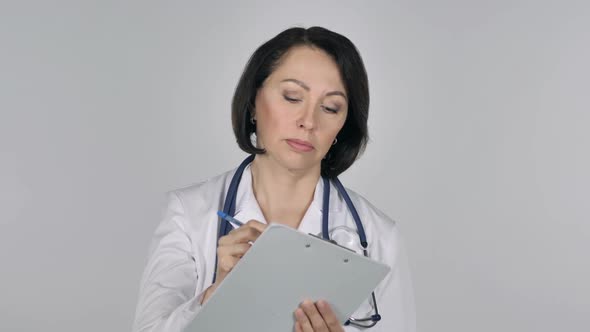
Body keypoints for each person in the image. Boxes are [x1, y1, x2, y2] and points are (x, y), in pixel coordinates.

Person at [132, 26, 415, 332]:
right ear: (254, 102)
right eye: (292, 97)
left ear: (343, 127)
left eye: (330, 107)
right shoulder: (188, 215)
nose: (308, 121)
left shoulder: (378, 238)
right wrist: (216, 297)